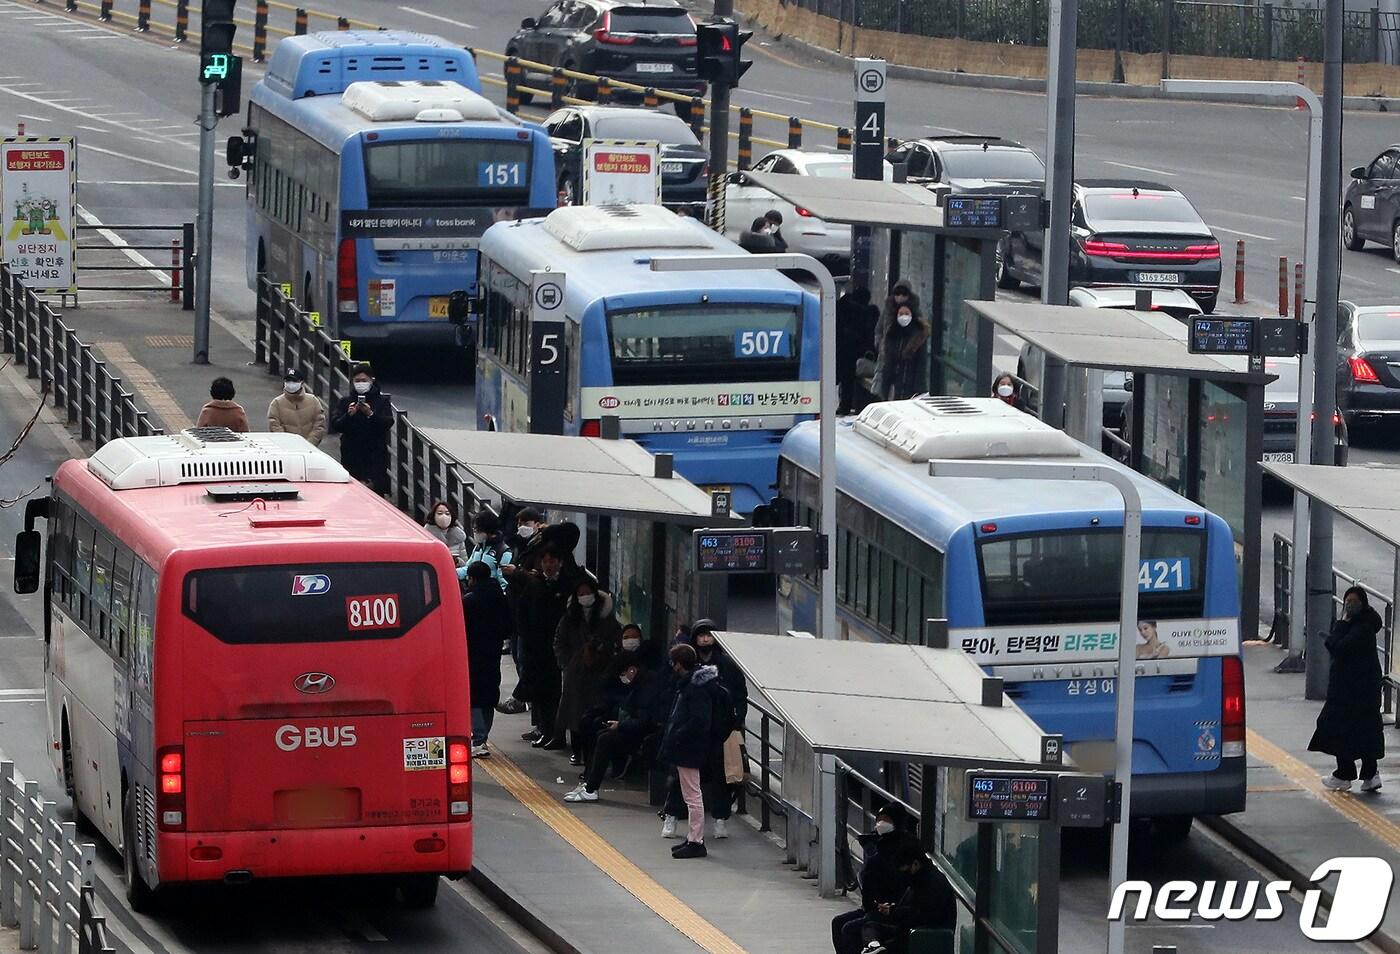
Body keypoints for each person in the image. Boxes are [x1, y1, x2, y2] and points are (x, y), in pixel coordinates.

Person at [1311, 586, 1385, 792]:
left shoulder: (1361, 629)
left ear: (1363, 604)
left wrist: (1341, 625)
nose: (1350, 606)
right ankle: (1369, 774)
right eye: (1347, 601)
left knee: (1338, 728)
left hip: (1350, 692)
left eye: (1354, 602)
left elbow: (1338, 648)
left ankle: (1345, 773)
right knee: (1364, 731)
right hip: (1363, 692)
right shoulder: (1365, 625)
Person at [658, 644, 728, 860]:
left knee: (692, 795)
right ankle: (693, 838)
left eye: (673, 662)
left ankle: (696, 840)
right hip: (690, 747)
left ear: (679, 664)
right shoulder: (696, 684)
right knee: (691, 793)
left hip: (689, 748)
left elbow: (699, 720)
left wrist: (678, 733)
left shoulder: (695, 689)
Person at [564, 654, 664, 803]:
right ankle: (590, 783)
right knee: (601, 732)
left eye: (623, 674)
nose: (622, 678)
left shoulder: (647, 687)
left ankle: (591, 788)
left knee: (605, 738)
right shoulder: (641, 682)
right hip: (639, 727)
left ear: (632, 670)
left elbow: (645, 721)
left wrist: (621, 725)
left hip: (649, 733)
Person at [552, 574, 622, 762]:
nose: (585, 596)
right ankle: (577, 751)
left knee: (593, 713)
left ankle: (592, 753)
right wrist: (568, 662)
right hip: (575, 673)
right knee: (574, 713)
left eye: (588, 592)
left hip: (599, 673)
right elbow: (559, 642)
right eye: (581, 593)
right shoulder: (570, 618)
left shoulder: (607, 619)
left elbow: (614, 641)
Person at [832, 806, 915, 954]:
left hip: (891, 912)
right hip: (881, 908)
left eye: (886, 820)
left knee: (849, 928)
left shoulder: (902, 850)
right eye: (879, 820)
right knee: (838, 922)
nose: (881, 824)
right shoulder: (882, 845)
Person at [515, 546, 575, 747]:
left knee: (559, 694)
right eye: (546, 561)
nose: (549, 565)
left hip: (559, 649)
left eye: (553, 561)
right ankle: (545, 729)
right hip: (538, 648)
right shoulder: (534, 585)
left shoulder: (567, 585)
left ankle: (557, 734)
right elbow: (522, 614)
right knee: (541, 693)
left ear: (560, 562)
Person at [855, 841, 959, 954]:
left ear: (915, 864)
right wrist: (893, 908)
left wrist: (894, 911)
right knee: (869, 925)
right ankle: (874, 946)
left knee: (855, 930)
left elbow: (922, 914)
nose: (903, 874)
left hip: (923, 936)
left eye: (904, 869)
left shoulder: (934, 883)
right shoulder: (919, 879)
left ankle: (877, 948)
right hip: (910, 929)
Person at [463, 560, 511, 757]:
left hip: (472, 651)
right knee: (490, 691)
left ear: (472, 578)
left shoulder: (469, 600)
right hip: (493, 650)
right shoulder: (500, 596)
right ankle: (483, 737)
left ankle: (478, 739)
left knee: (474, 694)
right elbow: (508, 625)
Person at [330, 364, 392, 494]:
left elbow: (387, 423)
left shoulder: (382, 401)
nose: (360, 384)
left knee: (376, 496)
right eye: (357, 381)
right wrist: (348, 415)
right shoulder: (345, 402)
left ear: (372, 380)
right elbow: (336, 424)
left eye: (364, 380)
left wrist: (370, 414)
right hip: (351, 456)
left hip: (375, 456)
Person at [874, 301, 929, 402]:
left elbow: (921, 364)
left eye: (907, 314)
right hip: (894, 387)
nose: (904, 317)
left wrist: (919, 389)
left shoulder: (918, 336)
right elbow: (888, 364)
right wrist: (885, 388)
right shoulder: (891, 334)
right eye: (901, 314)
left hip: (911, 387)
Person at [836, 287, 877, 414]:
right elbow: (870, 333)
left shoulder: (842, 307)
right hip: (861, 353)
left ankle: (845, 405)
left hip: (843, 350)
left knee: (846, 380)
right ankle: (855, 406)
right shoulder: (869, 312)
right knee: (857, 380)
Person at [267, 369, 326, 445]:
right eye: (288, 381)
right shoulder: (276, 403)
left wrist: (309, 444)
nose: (291, 383)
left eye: (294, 381)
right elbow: (274, 426)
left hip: (309, 449)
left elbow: (319, 425)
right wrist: (287, 444)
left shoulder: (313, 401)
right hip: (286, 448)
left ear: (302, 383)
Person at [461, 510, 512, 592]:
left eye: (477, 530)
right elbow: (468, 568)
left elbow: (503, 581)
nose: (475, 533)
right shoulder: (478, 547)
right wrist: (453, 573)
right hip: (474, 591)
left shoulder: (503, 551)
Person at [873, 279, 920, 351]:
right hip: (886, 355)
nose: (900, 297)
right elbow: (879, 329)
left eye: (904, 294)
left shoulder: (915, 312)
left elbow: (920, 334)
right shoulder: (888, 310)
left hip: (905, 356)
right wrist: (879, 344)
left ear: (909, 295)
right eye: (897, 293)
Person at [424, 500, 468, 566]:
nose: (444, 516)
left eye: (447, 513)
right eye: (440, 513)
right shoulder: (426, 535)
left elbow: (465, 561)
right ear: (433, 516)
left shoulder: (458, 536)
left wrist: (457, 561)